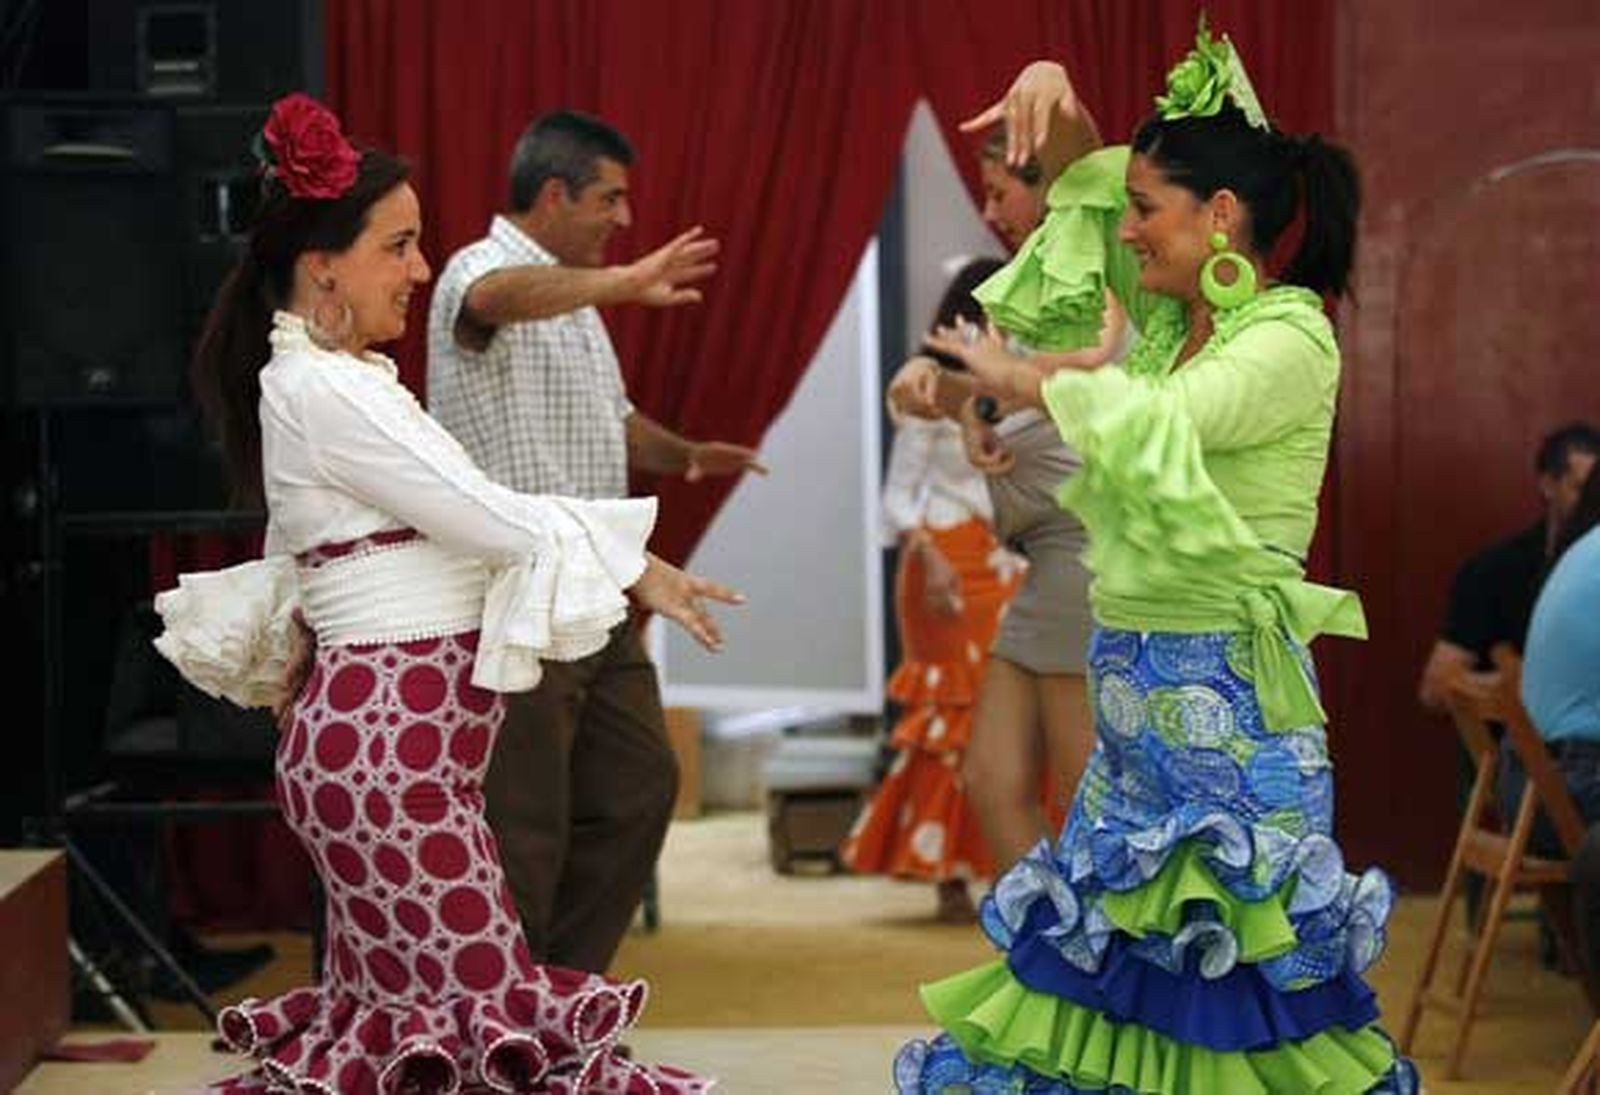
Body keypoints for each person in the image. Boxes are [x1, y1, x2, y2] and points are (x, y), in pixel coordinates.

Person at [156, 93, 725, 1094]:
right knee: (483, 1031)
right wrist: (632, 563)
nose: (419, 268)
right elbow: (484, 515)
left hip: (390, 750)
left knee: (413, 1043)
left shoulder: (337, 381)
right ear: (324, 266)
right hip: (391, 756)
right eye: (399, 246)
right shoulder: (325, 388)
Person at [892, 21, 1419, 1093]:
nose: (1126, 231)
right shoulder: (1177, 323)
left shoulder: (1287, 337)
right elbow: (1084, 182)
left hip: (1233, 718)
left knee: (1222, 1014)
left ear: (1218, 214)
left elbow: (1170, 421)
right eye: (1129, 210)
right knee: (1109, 993)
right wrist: (1054, 85)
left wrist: (1030, 380)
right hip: (1133, 711)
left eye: (1149, 210)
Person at [427, 110, 764, 977]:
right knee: (526, 817)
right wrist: (623, 282)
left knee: (641, 785)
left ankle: (563, 986)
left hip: (599, 584)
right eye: (609, 198)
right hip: (520, 588)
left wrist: (687, 454)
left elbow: (612, 422)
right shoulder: (479, 266)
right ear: (554, 193)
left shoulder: (578, 304)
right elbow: (491, 301)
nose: (624, 217)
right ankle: (509, 1004)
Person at [887, 130, 1124, 881]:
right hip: (1043, 561)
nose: (988, 214)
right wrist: (942, 391)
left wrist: (960, 396)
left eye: (999, 193)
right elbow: (1006, 401)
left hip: (1087, 554)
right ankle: (1052, 939)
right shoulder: (1029, 297)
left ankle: (1095, 946)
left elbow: (1051, 398)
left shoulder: (1099, 290)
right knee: (991, 780)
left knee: (1085, 799)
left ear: (1053, 190)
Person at [841, 258, 1032, 923]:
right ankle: (946, 867)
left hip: (1008, 561)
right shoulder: (928, 387)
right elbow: (898, 497)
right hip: (942, 558)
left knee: (1012, 719)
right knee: (952, 717)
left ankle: (1004, 862)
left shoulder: (1026, 380)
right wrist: (929, 554)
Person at [1417, 422, 1600, 711]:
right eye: (1581, 490)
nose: (1594, 505)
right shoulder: (1496, 570)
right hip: (1523, 732)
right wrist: (1521, 684)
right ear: (1548, 485)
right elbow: (1436, 688)